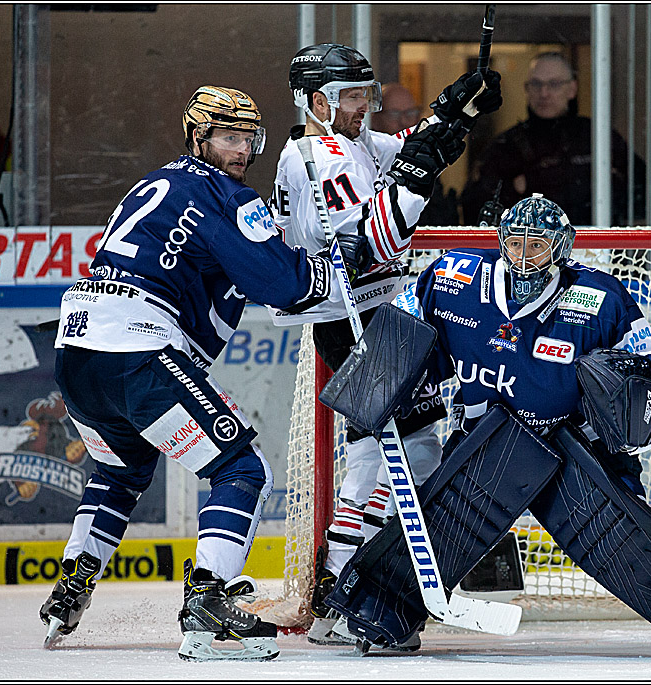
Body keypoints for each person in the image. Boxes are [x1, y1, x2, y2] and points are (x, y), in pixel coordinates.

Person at [323, 195, 651, 660]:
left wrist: (639, 415)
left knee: (620, 538)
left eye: (538, 245)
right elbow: (400, 336)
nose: (525, 255)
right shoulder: (453, 279)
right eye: (516, 243)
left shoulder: (601, 298)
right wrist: (374, 383)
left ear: (562, 246)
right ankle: (381, 611)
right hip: (486, 439)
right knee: (439, 530)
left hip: (573, 443)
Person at [39, 85, 371, 662]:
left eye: (248, 138)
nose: (241, 149)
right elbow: (286, 285)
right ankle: (207, 606)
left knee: (122, 470)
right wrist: (345, 255)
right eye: (228, 136)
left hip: (77, 352)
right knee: (242, 468)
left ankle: (72, 583)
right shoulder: (226, 196)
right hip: (134, 349)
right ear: (199, 137)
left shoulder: (156, 181)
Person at [268, 43, 502, 647]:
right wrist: (421, 172)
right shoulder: (316, 155)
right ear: (316, 102)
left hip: (376, 313)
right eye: (351, 97)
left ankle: (339, 594)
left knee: (387, 455)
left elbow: (415, 151)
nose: (363, 106)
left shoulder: (354, 141)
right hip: (349, 320)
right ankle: (345, 591)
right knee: (406, 454)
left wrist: (457, 110)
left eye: (365, 94)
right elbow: (377, 238)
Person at [461, 52, 646, 227]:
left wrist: (606, 190)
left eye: (554, 84)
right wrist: (516, 191)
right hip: (532, 253)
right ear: (527, 89)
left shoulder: (598, 138)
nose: (544, 93)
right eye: (536, 84)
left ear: (572, 88)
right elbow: (474, 209)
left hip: (597, 250)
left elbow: (644, 195)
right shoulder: (507, 147)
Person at [371, 82, 461, 226]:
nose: (404, 121)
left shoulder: (426, 158)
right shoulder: (364, 158)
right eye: (394, 114)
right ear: (374, 118)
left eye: (411, 113)